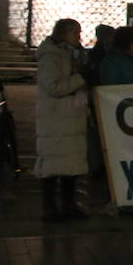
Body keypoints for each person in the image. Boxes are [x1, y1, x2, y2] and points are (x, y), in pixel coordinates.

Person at [36, 18, 91, 220]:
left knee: (71, 164)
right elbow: (53, 87)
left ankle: (69, 206)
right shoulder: (51, 56)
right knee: (52, 165)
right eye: (75, 32)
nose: (79, 37)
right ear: (63, 33)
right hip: (56, 116)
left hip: (71, 115)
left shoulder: (73, 53)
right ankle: (50, 208)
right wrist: (80, 78)